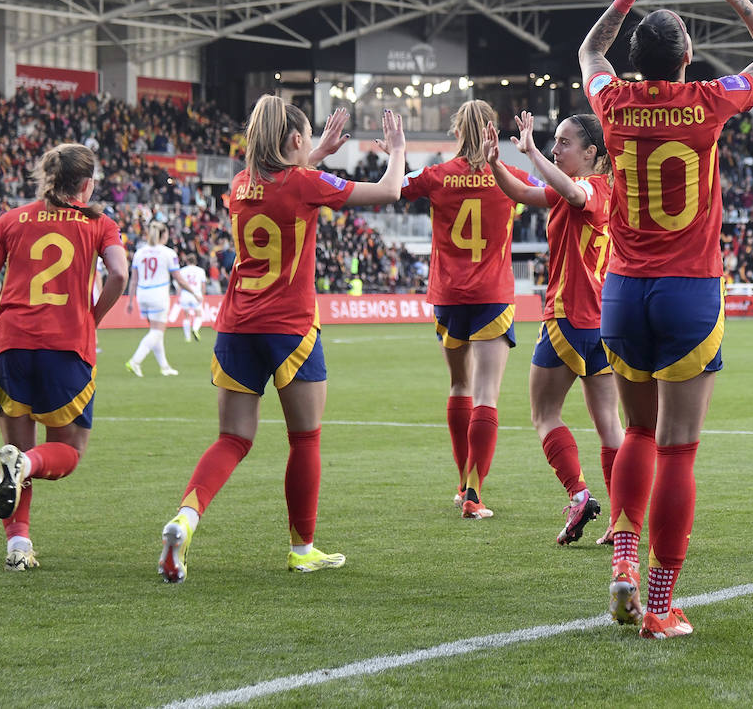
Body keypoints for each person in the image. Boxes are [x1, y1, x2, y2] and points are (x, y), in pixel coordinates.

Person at [580, 0, 753, 638]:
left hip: (620, 290)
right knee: (678, 446)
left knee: (637, 430)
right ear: (686, 54)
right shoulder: (708, 100)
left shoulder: (611, 101)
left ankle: (622, 562)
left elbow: (589, 51)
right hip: (689, 290)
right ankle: (663, 604)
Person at [157, 103, 404, 582]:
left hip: (235, 326)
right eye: (306, 137)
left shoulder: (238, 185)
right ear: (294, 141)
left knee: (232, 438)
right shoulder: (306, 183)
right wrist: (395, 149)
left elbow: (279, 183)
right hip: (290, 328)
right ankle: (302, 548)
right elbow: (390, 189)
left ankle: (185, 519)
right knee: (304, 438)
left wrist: (315, 152)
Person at [0, 143, 128, 570]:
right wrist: (91, 318)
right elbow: (118, 274)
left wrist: (4, 318)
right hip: (66, 347)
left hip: (10, 347)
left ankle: (18, 546)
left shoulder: (8, 220)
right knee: (67, 452)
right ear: (87, 184)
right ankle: (26, 464)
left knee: (14, 444)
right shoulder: (100, 224)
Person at [487, 110, 622, 545]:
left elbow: (572, 192)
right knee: (609, 424)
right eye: (554, 142)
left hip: (569, 317)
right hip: (604, 322)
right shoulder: (600, 188)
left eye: (564, 142)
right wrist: (495, 163)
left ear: (591, 153)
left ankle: (579, 494)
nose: (555, 149)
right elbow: (525, 193)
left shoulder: (590, 189)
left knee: (544, 414)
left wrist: (528, 152)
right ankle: (623, 520)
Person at [401, 99, 532, 520]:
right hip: (492, 295)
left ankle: (462, 484)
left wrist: (396, 155)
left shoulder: (437, 176)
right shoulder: (509, 178)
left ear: (457, 132)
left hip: (448, 295)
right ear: (492, 132)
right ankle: (474, 492)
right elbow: (553, 192)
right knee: (487, 393)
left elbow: (393, 189)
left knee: (459, 387)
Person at [124, 221, 200, 376]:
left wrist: (130, 300)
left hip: (142, 295)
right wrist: (194, 292)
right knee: (157, 332)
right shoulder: (168, 253)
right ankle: (135, 361)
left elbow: (133, 280)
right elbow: (179, 279)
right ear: (163, 235)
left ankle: (164, 367)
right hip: (158, 295)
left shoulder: (140, 252)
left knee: (155, 331)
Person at [177, 252, 208, 343]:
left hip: (185, 294)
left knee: (186, 316)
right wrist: (203, 295)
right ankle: (195, 329)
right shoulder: (201, 271)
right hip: (196, 295)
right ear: (195, 261)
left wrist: (178, 295)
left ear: (187, 261)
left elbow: (180, 285)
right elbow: (203, 285)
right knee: (198, 315)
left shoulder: (182, 270)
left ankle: (187, 338)